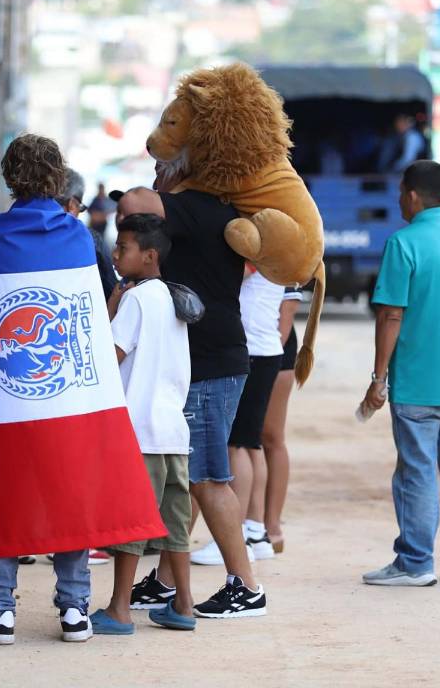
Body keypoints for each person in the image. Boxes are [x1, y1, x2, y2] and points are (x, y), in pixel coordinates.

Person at [0, 134, 164, 646]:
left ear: (9, 177)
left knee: (1, 491)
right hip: (70, 395)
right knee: (70, 490)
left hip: (3, 395)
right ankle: (74, 609)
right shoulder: (77, 237)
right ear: (57, 176)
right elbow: (93, 310)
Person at [116, 180, 266, 619]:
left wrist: (168, 183)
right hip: (210, 362)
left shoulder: (196, 207)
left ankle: (246, 587)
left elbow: (133, 202)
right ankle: (165, 583)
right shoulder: (212, 210)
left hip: (212, 364)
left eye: (163, 164)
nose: (157, 173)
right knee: (190, 478)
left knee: (207, 478)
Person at [360, 160, 440, 587]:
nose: (399, 199)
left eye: (401, 192)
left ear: (413, 196)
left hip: (417, 385)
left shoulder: (403, 243)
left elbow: (391, 315)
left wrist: (379, 377)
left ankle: (415, 562)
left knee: (416, 472)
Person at [90, 213, 195, 634]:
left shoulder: (134, 300)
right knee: (175, 523)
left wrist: (111, 307)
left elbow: (108, 356)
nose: (116, 255)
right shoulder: (172, 297)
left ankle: (119, 608)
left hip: (140, 430)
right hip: (173, 431)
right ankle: (183, 604)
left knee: (132, 521)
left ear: (149, 256)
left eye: (124, 247)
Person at [191, 265, 284, 565]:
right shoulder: (277, 246)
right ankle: (255, 531)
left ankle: (236, 536)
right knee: (250, 444)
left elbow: (232, 273)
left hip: (253, 348)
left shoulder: (259, 248)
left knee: (237, 445)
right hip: (264, 347)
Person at [261, 287, 302, 553]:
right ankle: (253, 526)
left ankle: (271, 526)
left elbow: (287, 309)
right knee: (249, 442)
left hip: (272, 348)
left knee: (270, 437)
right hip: (254, 344)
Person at [60, 169, 118, 328]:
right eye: (80, 208)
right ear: (72, 205)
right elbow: (110, 288)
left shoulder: (7, 236)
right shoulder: (91, 240)